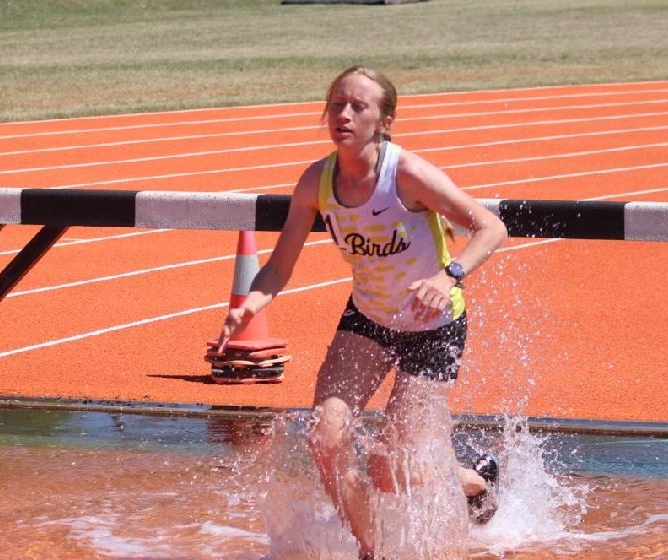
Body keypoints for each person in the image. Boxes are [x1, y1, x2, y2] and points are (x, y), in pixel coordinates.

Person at [218, 65, 508, 558]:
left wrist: (447, 276)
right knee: (325, 438)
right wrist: (249, 306)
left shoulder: (408, 173)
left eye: (358, 106)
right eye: (336, 104)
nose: (344, 115)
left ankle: (472, 481)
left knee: (389, 469)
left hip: (434, 326)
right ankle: (370, 547)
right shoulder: (317, 180)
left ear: (384, 120)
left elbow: (491, 227)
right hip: (368, 320)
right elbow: (279, 266)